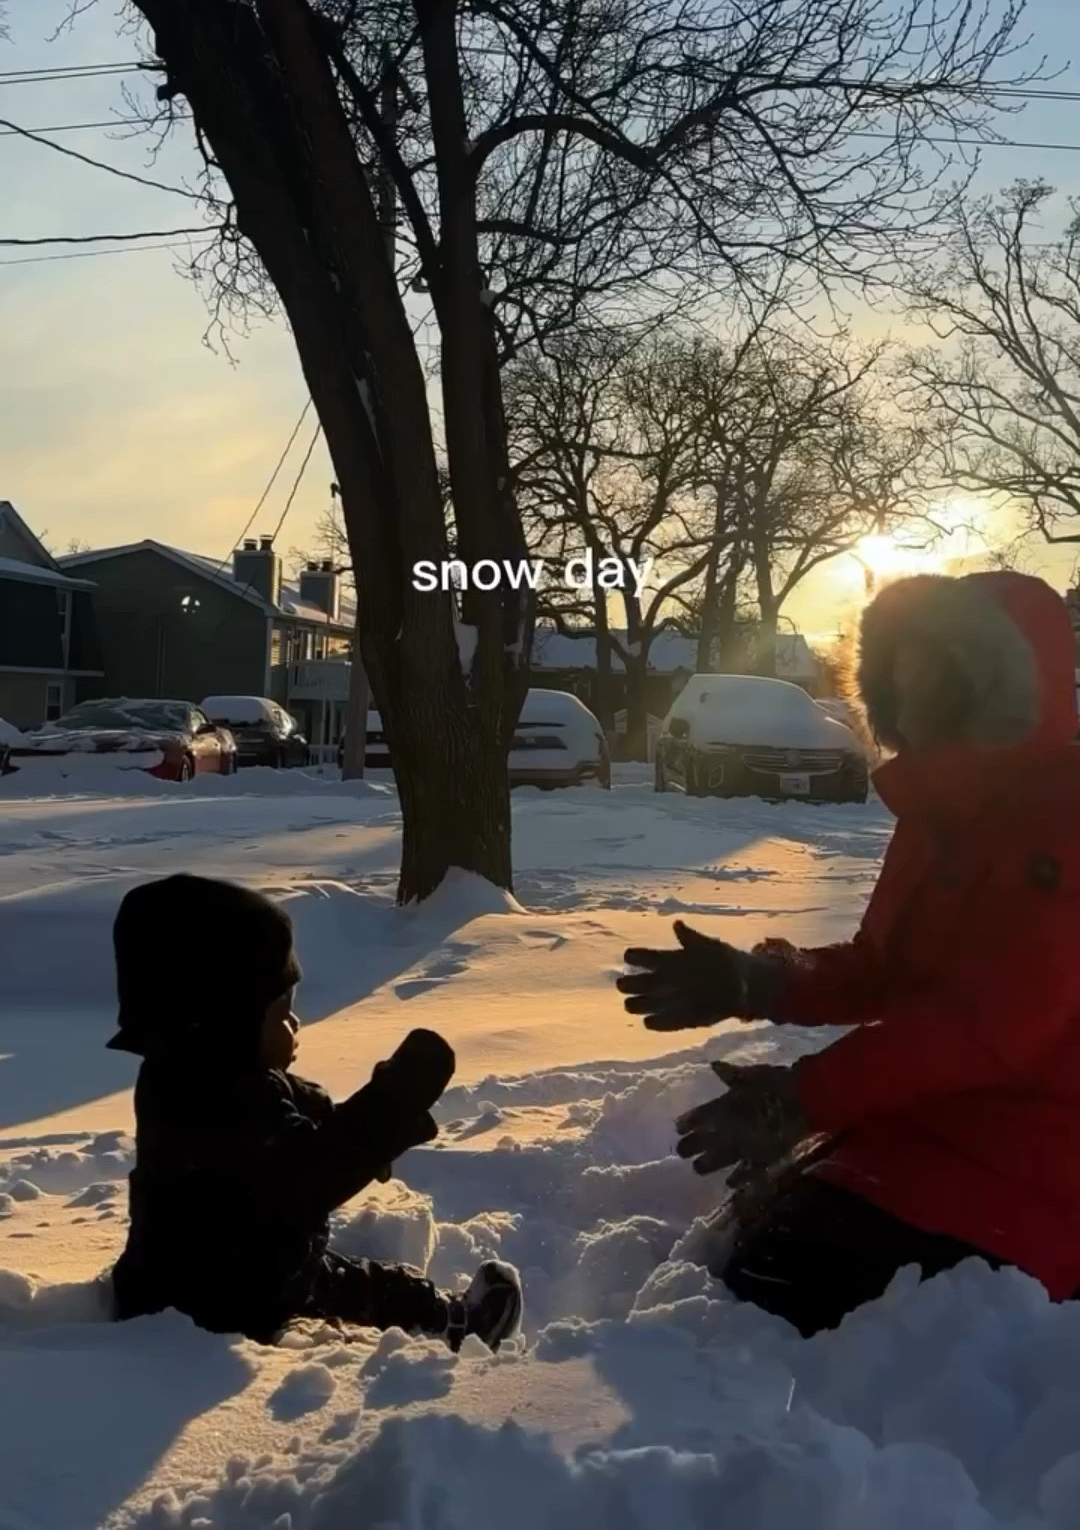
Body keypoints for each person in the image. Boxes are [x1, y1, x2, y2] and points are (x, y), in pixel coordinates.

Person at [618, 570, 1080, 1337]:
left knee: (773, 1275)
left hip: (1043, 1147)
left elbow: (990, 1033)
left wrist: (804, 1097)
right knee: (749, 1228)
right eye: (899, 658)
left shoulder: (1059, 820)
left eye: (937, 659)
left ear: (1000, 684)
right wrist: (757, 979)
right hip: (936, 1119)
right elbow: (883, 966)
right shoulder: (939, 812)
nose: (909, 678)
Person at [107, 873, 522, 1350]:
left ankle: (441, 1316)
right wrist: (391, 1105)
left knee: (348, 1280)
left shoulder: (193, 1074)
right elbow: (308, 1177)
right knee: (347, 1285)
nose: (295, 1022)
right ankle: (453, 1326)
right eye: (280, 1010)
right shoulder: (220, 1099)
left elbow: (293, 1121)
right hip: (226, 1299)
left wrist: (344, 1119)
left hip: (214, 1269)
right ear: (228, 1018)